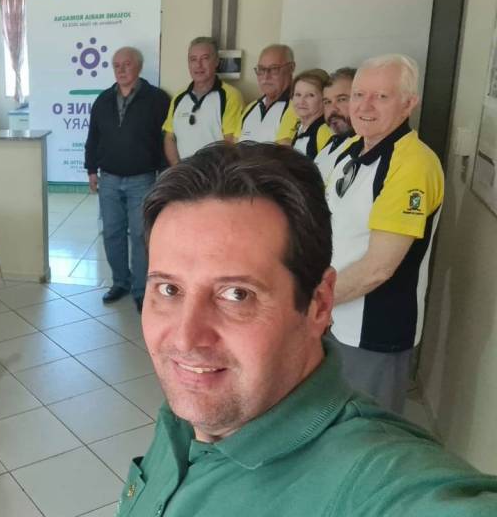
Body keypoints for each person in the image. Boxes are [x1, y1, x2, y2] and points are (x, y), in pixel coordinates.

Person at [118, 141, 497, 516]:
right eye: (169, 289)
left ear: (319, 304)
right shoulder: (193, 409)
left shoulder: (373, 480)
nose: (186, 338)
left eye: (237, 294)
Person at [324, 55, 444, 413]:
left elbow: (378, 268)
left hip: (373, 331)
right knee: (334, 422)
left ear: (409, 103)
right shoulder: (350, 150)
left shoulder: (413, 164)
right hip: (334, 317)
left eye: (381, 96)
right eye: (359, 95)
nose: (365, 106)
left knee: (367, 431)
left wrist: (311, 300)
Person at [85, 46, 171, 311]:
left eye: (127, 64)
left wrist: (165, 174)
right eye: (117, 65)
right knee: (112, 233)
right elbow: (93, 137)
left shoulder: (157, 99)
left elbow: (165, 139)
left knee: (140, 236)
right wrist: (91, 170)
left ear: (139, 66)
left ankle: (141, 289)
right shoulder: (103, 100)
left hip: (142, 180)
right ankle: (120, 282)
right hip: (109, 179)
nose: (121, 70)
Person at [164, 37, 245, 164]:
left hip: (215, 173)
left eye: (205, 58)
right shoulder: (179, 96)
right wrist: (178, 168)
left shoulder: (231, 96)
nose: (198, 65)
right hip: (184, 173)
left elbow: (230, 142)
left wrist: (210, 172)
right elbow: (170, 137)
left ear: (216, 61)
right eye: (193, 59)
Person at [239, 43, 300, 144]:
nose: (266, 77)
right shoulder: (250, 108)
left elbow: (285, 150)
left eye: (274, 69)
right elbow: (234, 147)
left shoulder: (300, 108)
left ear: (291, 68)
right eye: (261, 69)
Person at [314, 67, 358, 181]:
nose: (333, 109)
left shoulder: (365, 148)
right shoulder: (332, 143)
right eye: (327, 102)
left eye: (341, 99)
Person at [285, 68, 333, 159]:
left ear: (324, 99)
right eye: (298, 95)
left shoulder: (325, 131)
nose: (301, 101)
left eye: (310, 95)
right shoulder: (301, 128)